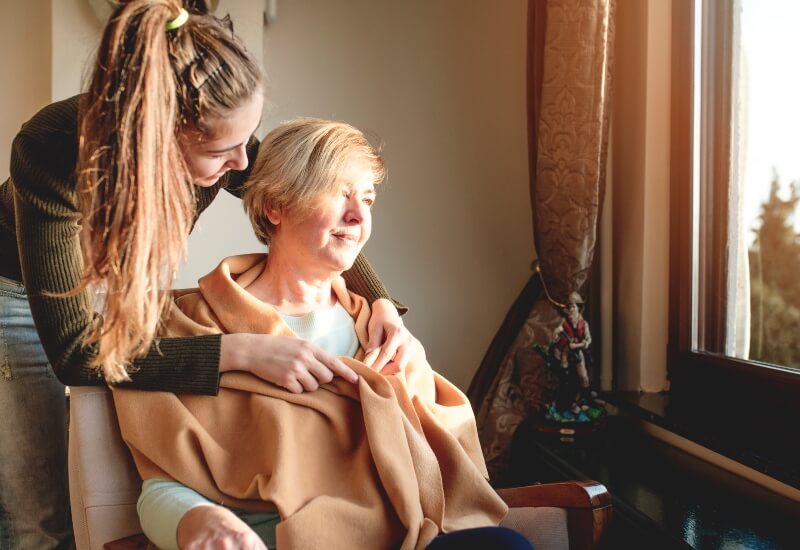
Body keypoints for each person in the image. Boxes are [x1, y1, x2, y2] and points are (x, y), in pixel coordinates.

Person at [0, 3, 412, 548]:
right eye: (223, 151)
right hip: (17, 290)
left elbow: (291, 194)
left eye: (249, 139)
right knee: (42, 514)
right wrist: (237, 351)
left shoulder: (224, 131)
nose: (243, 163)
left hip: (118, 280)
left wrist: (378, 299)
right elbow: (77, 352)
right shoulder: (51, 152)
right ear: (159, 139)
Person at [112, 118, 532, 550]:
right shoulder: (195, 326)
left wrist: (406, 376)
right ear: (275, 206)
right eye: (339, 193)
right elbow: (162, 484)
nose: (359, 215)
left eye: (367, 199)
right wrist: (198, 521)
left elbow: (445, 463)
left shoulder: (380, 331)